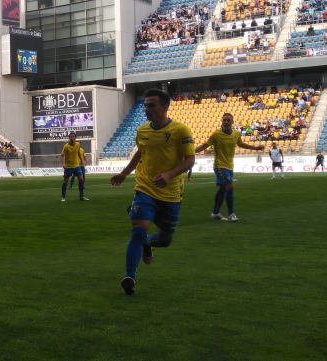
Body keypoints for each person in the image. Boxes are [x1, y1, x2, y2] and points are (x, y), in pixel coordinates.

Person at [110, 89, 195, 296]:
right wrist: (124, 173)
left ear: (165, 107)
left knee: (165, 239)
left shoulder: (181, 130)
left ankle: (148, 244)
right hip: (145, 188)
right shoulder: (142, 131)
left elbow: (190, 160)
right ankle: (130, 276)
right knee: (138, 229)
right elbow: (140, 153)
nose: (147, 109)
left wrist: (169, 175)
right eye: (145, 105)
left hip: (171, 192)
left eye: (151, 105)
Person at [195, 113, 264, 222]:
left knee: (223, 189)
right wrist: (191, 152)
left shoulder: (236, 134)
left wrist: (255, 148)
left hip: (230, 167)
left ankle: (215, 212)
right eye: (224, 120)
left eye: (228, 120)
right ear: (222, 121)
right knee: (229, 186)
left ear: (232, 121)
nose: (226, 122)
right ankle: (231, 214)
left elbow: (241, 144)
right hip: (219, 166)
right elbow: (205, 145)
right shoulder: (216, 134)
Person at [60, 132, 89, 202]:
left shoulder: (78, 144)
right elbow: (62, 155)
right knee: (65, 182)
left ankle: (81, 196)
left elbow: (79, 153)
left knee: (81, 180)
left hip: (76, 166)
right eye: (71, 136)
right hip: (68, 167)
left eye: (73, 136)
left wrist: (82, 161)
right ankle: (63, 197)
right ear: (69, 138)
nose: (72, 138)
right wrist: (63, 163)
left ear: (75, 138)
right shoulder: (66, 146)